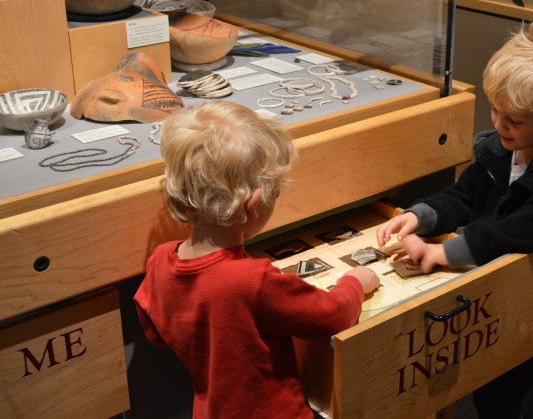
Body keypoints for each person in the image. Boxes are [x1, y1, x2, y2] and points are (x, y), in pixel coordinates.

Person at [376, 17, 533, 418]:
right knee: (493, 389)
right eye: (495, 109)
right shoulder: (503, 148)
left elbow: (517, 232)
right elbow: (464, 194)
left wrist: (446, 253)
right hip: (497, 294)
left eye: (514, 119)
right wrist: (422, 216)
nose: (498, 124)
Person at [134, 101, 380, 419]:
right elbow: (332, 317)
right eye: (275, 193)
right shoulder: (253, 280)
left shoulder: (160, 260)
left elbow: (155, 332)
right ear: (255, 202)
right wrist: (356, 282)